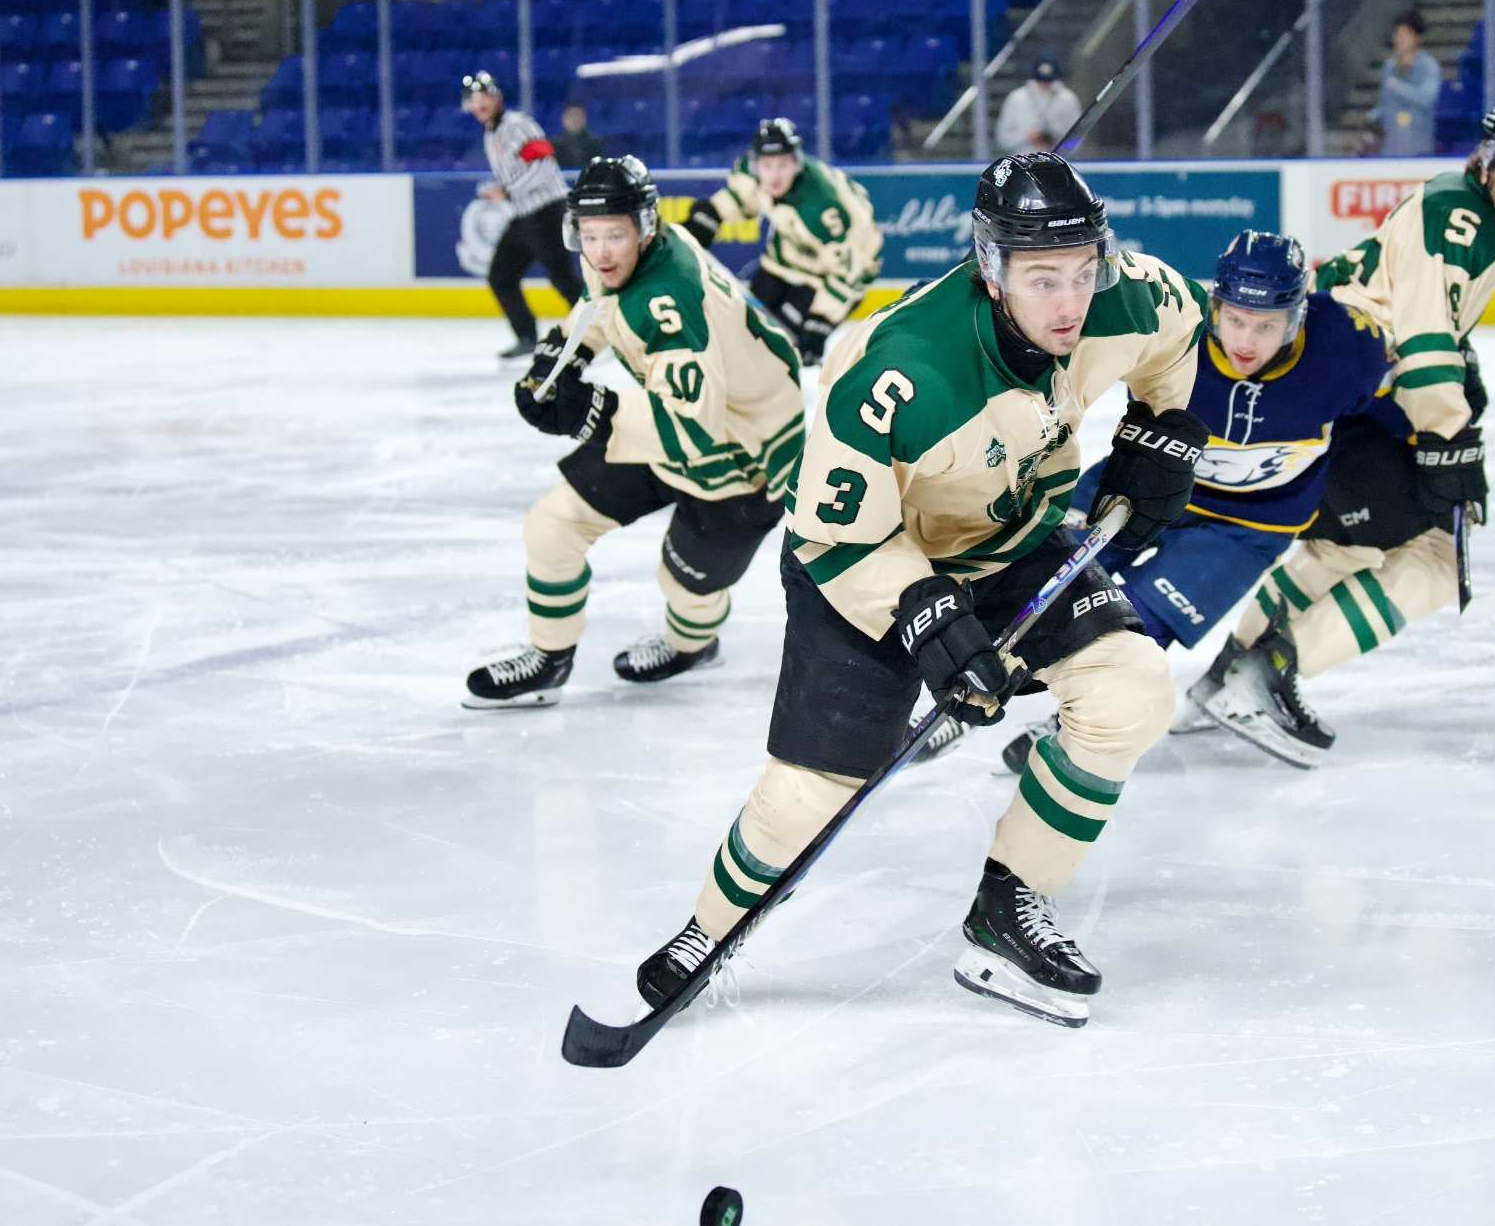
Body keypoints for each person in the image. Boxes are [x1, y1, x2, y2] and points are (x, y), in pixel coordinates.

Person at [633, 152, 1211, 1029]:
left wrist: (1161, 426)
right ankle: (707, 928)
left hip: (1013, 537)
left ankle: (1006, 907)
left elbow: (1178, 333)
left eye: (1083, 273)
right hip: (868, 562)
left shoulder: (1127, 296)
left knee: (1132, 690)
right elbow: (836, 531)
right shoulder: (898, 369)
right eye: (1042, 278)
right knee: (812, 790)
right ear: (990, 266)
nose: (1070, 302)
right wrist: (924, 612)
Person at [1182, 89, 1495, 766]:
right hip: (1342, 387)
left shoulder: (1466, 207)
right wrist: (1449, 440)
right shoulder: (1461, 216)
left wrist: (1456, 379)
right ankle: (1262, 673)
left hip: (1321, 381)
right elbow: (1421, 339)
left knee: (1341, 549)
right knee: (1430, 564)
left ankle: (1225, 676)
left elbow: (1416, 313)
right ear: (1488, 159)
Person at [983, 228, 1392, 773]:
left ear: (1297, 318)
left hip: (1249, 526)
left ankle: (1083, 716)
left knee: (1142, 617)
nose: (1247, 340)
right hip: (1147, 484)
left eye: (1267, 325)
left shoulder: (1347, 347)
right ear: (1215, 304)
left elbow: (1391, 402)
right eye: (1237, 319)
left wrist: (1434, 446)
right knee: (1031, 579)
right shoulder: (1176, 327)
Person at [463, 156, 805, 709]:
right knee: (552, 525)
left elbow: (692, 426)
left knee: (686, 585)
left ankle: (693, 644)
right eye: (589, 235)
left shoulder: (672, 300)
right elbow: (599, 304)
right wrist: (562, 355)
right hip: (676, 424)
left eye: (614, 236)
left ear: (644, 227)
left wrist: (591, 409)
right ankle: (550, 658)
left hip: (745, 454)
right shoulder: (635, 254)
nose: (599, 252)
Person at [685, 117, 883, 366]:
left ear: (796, 163)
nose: (774, 175)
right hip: (789, 253)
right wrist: (710, 216)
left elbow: (851, 268)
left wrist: (821, 320)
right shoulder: (752, 170)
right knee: (746, 327)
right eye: (767, 165)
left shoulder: (821, 208)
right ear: (757, 163)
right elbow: (742, 196)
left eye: (783, 165)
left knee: (782, 350)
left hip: (837, 271)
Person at [464, 71, 584, 360]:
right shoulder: (490, 133)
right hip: (526, 214)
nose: (479, 104)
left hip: (548, 211)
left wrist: (506, 191)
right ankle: (527, 337)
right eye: (473, 99)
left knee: (562, 278)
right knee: (501, 276)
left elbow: (543, 165)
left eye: (484, 97)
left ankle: (595, 330)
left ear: (497, 97)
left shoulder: (517, 126)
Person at [1370, 10, 1441, 157]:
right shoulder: (1390, 67)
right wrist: (1372, 118)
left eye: (1404, 34)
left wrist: (1398, 87)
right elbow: (1385, 102)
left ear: (1416, 37)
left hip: (1419, 148)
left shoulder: (1428, 66)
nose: (1399, 39)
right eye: (1397, 34)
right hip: (1391, 149)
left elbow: (1427, 97)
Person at [996, 57, 1083, 155]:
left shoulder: (1068, 99)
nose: (1044, 85)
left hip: (1057, 161)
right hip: (1024, 159)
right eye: (1040, 81)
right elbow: (1002, 139)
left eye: (1048, 81)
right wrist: (1027, 136)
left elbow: (1078, 138)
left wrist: (1060, 144)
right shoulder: (1017, 98)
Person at [551, 102, 604, 167]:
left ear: (584, 119)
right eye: (571, 116)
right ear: (563, 119)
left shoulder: (594, 144)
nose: (574, 120)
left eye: (578, 116)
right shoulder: (554, 145)